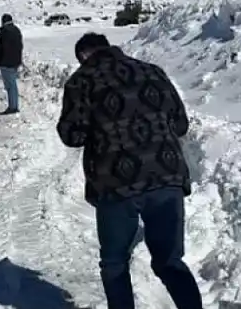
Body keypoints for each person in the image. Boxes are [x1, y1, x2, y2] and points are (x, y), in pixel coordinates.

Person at [57, 32, 202, 309]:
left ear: (84, 56)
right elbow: (181, 124)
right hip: (166, 176)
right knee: (169, 260)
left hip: (115, 183)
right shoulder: (153, 72)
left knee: (114, 263)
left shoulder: (81, 81)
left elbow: (71, 135)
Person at [0, 13, 23, 114]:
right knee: (13, 84)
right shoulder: (16, 30)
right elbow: (20, 46)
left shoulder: (5, 32)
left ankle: (12, 107)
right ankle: (14, 105)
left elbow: (2, 48)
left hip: (6, 62)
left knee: (10, 86)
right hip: (15, 61)